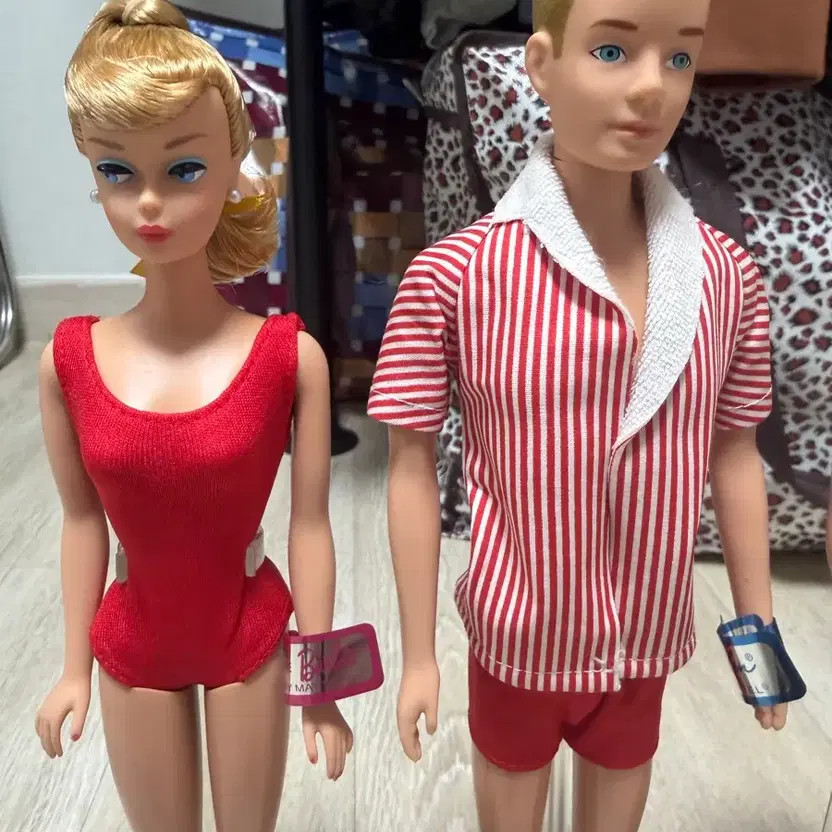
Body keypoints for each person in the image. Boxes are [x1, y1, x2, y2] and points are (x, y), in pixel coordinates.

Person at [367, 0, 796, 829]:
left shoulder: (726, 278)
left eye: (680, 58)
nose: (653, 88)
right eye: (611, 51)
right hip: (520, 632)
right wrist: (419, 654)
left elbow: (736, 454)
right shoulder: (456, 276)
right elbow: (410, 468)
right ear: (541, 64)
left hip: (646, 628)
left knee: (621, 789)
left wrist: (759, 629)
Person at [33, 2, 351, 830]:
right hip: (133, 640)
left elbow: (311, 526)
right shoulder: (68, 361)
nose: (149, 204)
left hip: (249, 634)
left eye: (183, 169)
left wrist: (321, 691)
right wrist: (71, 669)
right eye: (116, 171)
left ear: (233, 161)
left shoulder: (289, 357)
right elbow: (80, 521)